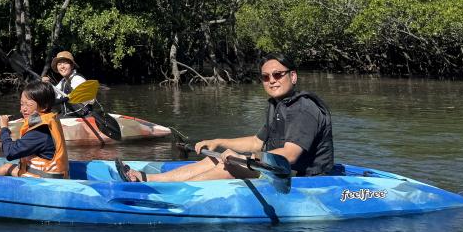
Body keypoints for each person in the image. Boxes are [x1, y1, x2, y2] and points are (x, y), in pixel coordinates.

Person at [117, 54, 333, 182]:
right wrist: (219, 142)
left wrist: (245, 159)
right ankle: (149, 180)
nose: (272, 81)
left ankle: (172, 192)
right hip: (278, 169)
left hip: (303, 180)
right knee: (213, 158)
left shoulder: (304, 109)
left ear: (292, 76)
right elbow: (257, 142)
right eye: (265, 77)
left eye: (278, 75)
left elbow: (290, 155)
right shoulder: (278, 105)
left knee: (228, 166)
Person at [0, 79, 69, 178]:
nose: (23, 109)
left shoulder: (40, 131)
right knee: (7, 167)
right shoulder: (49, 119)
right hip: (49, 174)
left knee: (6, 167)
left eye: (29, 105)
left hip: (43, 181)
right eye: (22, 104)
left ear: (44, 107)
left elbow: (9, 153)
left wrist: (4, 128)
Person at [42, 50, 90, 116]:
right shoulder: (63, 81)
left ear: (72, 66)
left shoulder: (78, 79)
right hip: (68, 116)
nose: (62, 66)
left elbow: (85, 99)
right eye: (59, 64)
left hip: (81, 116)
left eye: (65, 63)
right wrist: (46, 85)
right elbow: (53, 94)